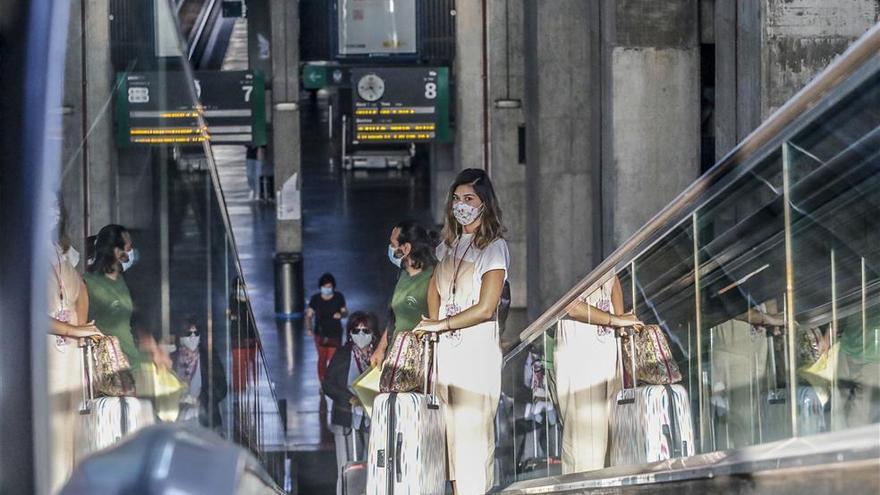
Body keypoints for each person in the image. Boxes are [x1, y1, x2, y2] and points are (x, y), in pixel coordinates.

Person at [415, 168, 509, 495]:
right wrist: (433, 318)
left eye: (469, 198)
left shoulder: (493, 248)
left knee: (473, 442)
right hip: (447, 357)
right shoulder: (449, 246)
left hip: (476, 356)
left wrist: (442, 324)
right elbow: (434, 288)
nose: (461, 205)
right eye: (456, 199)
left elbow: (486, 307)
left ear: (484, 203)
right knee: (450, 445)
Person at [555, 273, 642, 473]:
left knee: (616, 447)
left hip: (608, 352)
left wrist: (620, 318)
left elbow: (613, 277)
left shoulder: (600, 250)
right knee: (585, 451)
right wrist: (616, 320)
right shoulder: (576, 251)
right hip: (581, 352)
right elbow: (572, 306)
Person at [46, 198, 102, 492]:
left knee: (72, 426)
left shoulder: (60, 251)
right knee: (51, 427)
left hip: (68, 353)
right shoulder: (20, 251)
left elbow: (81, 290)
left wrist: (80, 329)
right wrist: (72, 330)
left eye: (55, 206)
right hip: (45, 354)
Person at [84, 225, 171, 371]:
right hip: (108, 366)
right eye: (128, 247)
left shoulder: (124, 281)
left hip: (131, 362)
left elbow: (135, 320)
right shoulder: (88, 283)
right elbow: (84, 327)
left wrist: (154, 348)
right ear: (116, 251)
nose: (132, 252)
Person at [323, 311, 379, 495]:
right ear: (350, 333)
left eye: (366, 330)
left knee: (374, 468)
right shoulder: (343, 354)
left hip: (374, 420)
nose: (361, 335)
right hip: (347, 419)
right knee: (349, 468)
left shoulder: (381, 354)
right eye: (357, 330)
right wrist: (350, 399)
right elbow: (328, 385)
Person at [370, 220, 437, 368]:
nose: (390, 249)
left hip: (417, 363)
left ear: (406, 248)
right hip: (396, 357)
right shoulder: (403, 273)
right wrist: (381, 348)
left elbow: (435, 325)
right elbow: (396, 317)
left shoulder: (432, 278)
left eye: (393, 245)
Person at [306, 273, 348, 387]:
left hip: (335, 333)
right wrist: (309, 328)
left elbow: (345, 311)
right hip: (321, 334)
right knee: (322, 358)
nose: (327, 289)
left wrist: (341, 314)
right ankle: (323, 382)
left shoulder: (338, 297)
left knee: (333, 358)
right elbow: (309, 315)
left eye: (329, 287)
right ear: (321, 287)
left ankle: (333, 381)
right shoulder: (315, 299)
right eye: (325, 287)